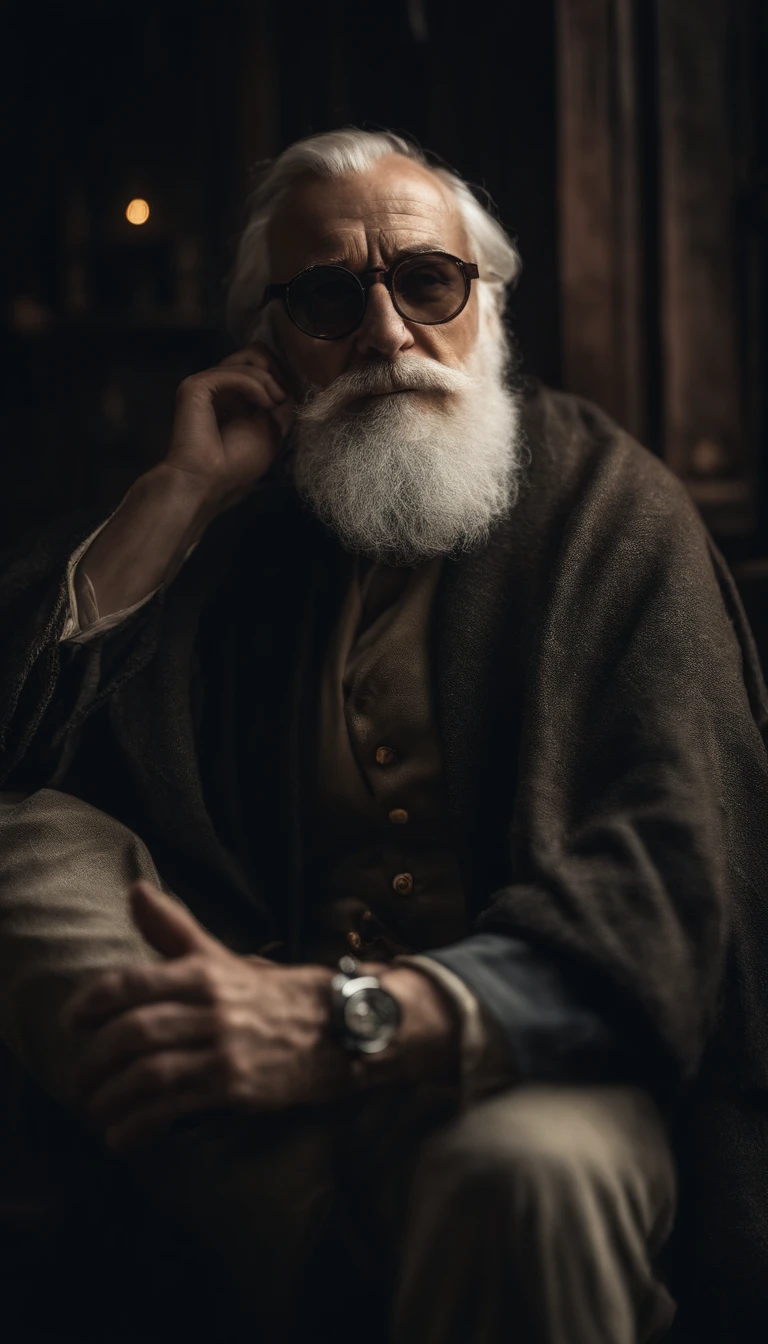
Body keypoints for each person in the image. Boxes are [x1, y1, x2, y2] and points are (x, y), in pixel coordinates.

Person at [0, 127, 767, 1344]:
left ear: (489, 307)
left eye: (426, 281)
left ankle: (304, 1232)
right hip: (251, 1022)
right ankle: (323, 1194)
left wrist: (344, 1026)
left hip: (528, 1054)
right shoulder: (251, 534)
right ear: (272, 344)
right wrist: (177, 498)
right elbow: (25, 753)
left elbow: (682, 902)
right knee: (25, 845)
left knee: (519, 1173)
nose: (389, 336)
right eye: (327, 298)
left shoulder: (615, 515)